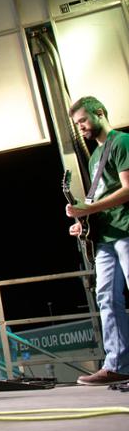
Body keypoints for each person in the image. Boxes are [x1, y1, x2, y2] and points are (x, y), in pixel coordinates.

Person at [66, 96, 129, 385]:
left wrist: (89, 208)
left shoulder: (121, 142)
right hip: (104, 238)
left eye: (83, 121)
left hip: (126, 231)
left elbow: (127, 190)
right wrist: (84, 223)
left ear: (100, 113)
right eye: (77, 124)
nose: (80, 127)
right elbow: (101, 199)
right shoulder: (94, 158)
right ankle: (116, 364)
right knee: (106, 299)